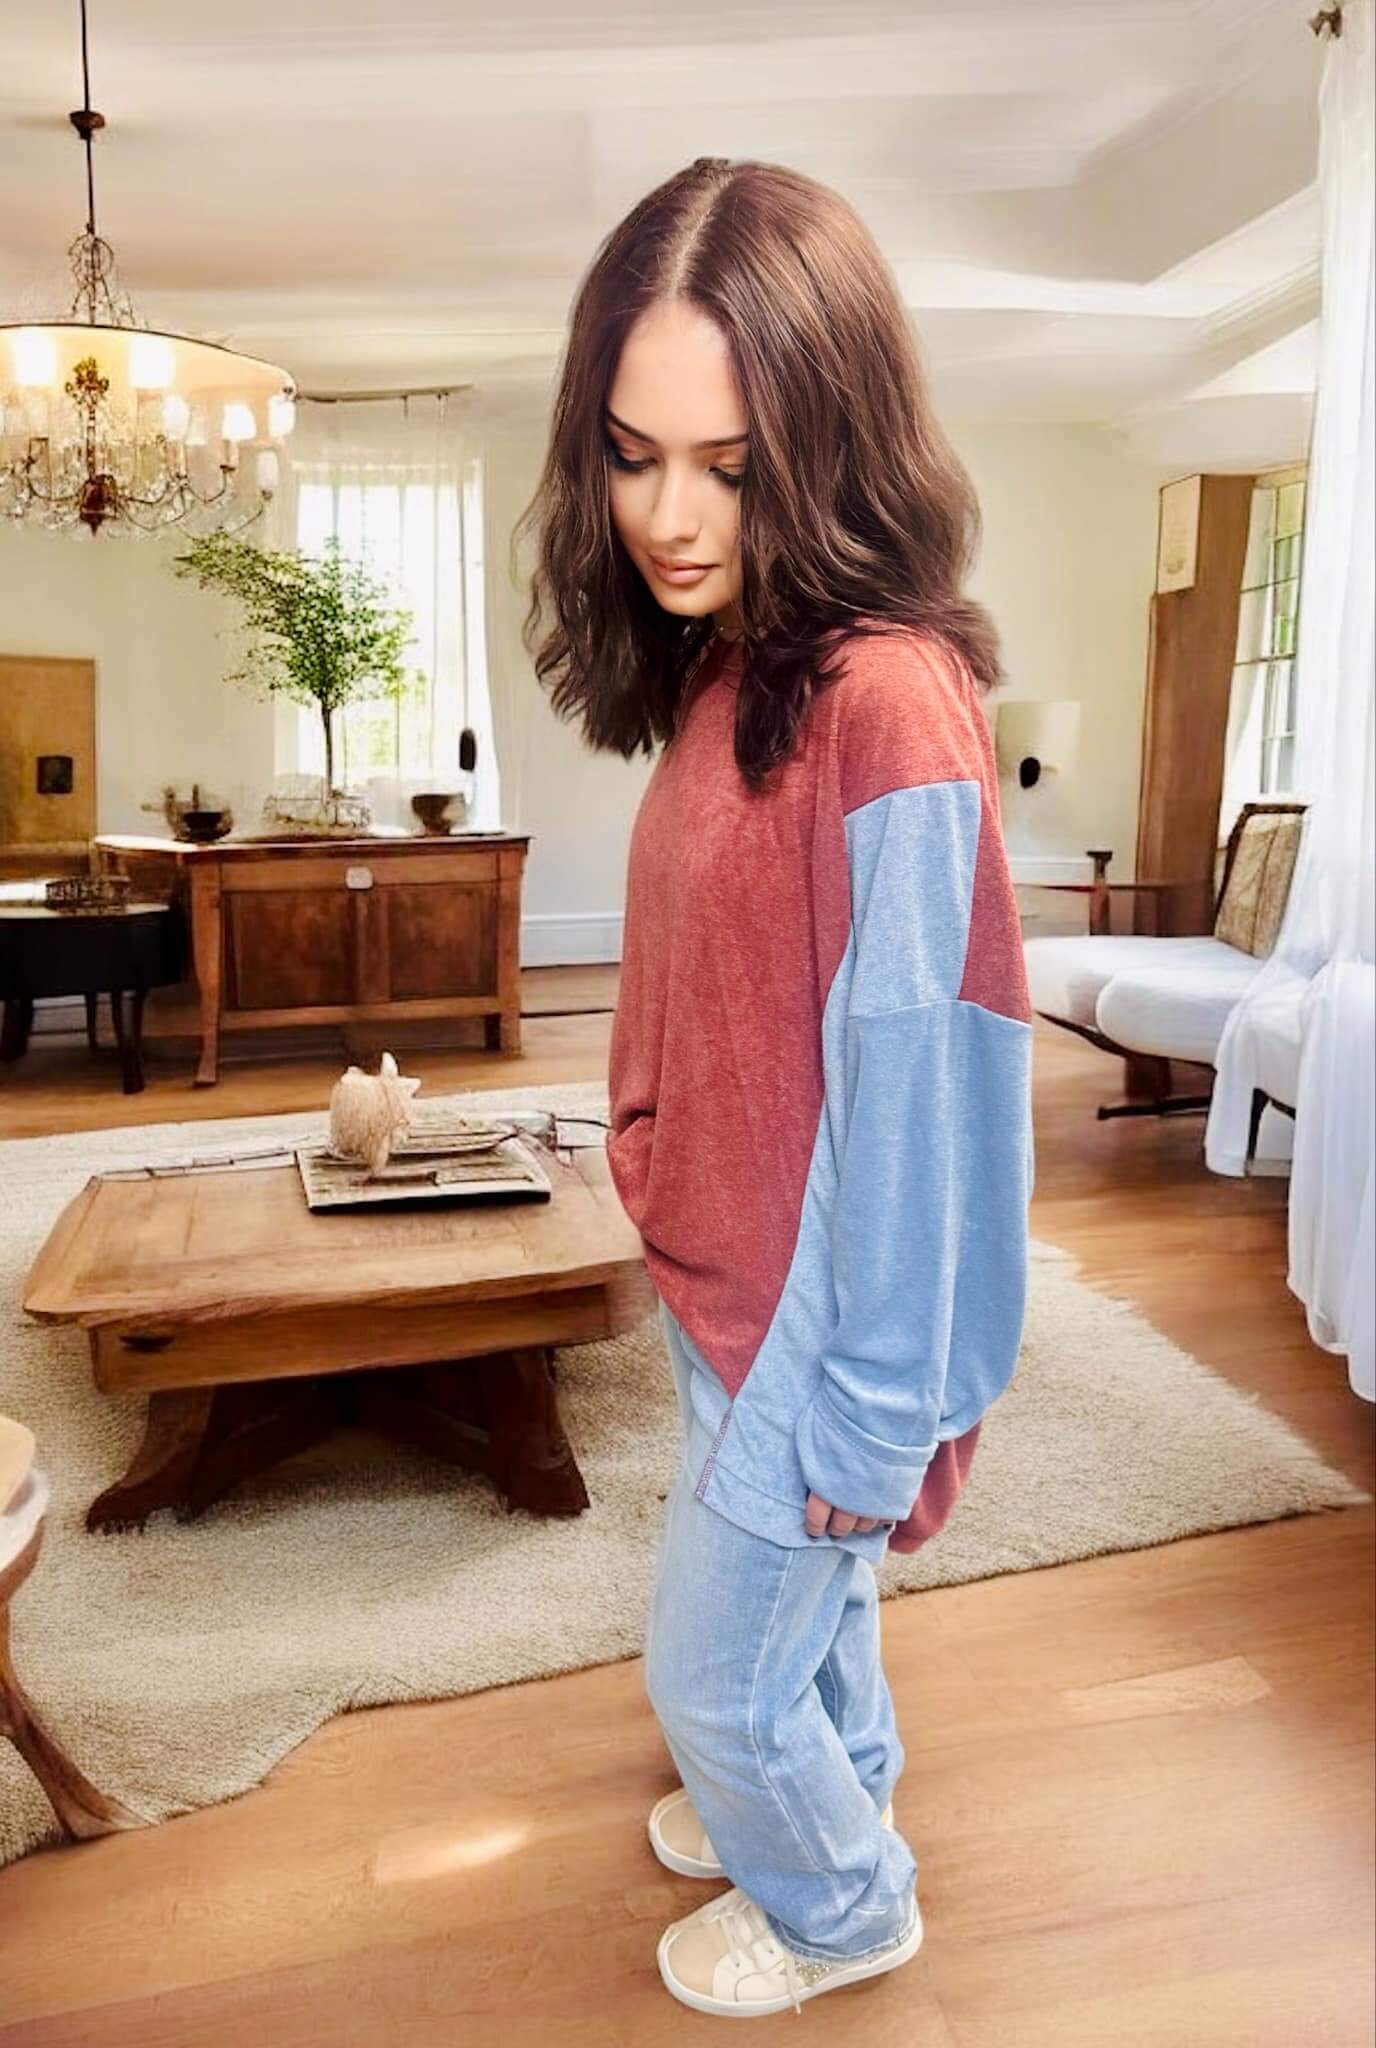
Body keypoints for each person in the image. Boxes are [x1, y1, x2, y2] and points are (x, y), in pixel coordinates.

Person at [517, 155, 1034, 2020]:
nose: (667, 511)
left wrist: (876, 1419)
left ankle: (840, 1901)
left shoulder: (889, 705)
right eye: (633, 451)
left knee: (714, 1678)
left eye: (728, 466)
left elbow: (924, 1099)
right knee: (810, 1628)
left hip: (826, 1314)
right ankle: (838, 1788)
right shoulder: (741, 662)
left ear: (831, 439)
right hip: (721, 1252)